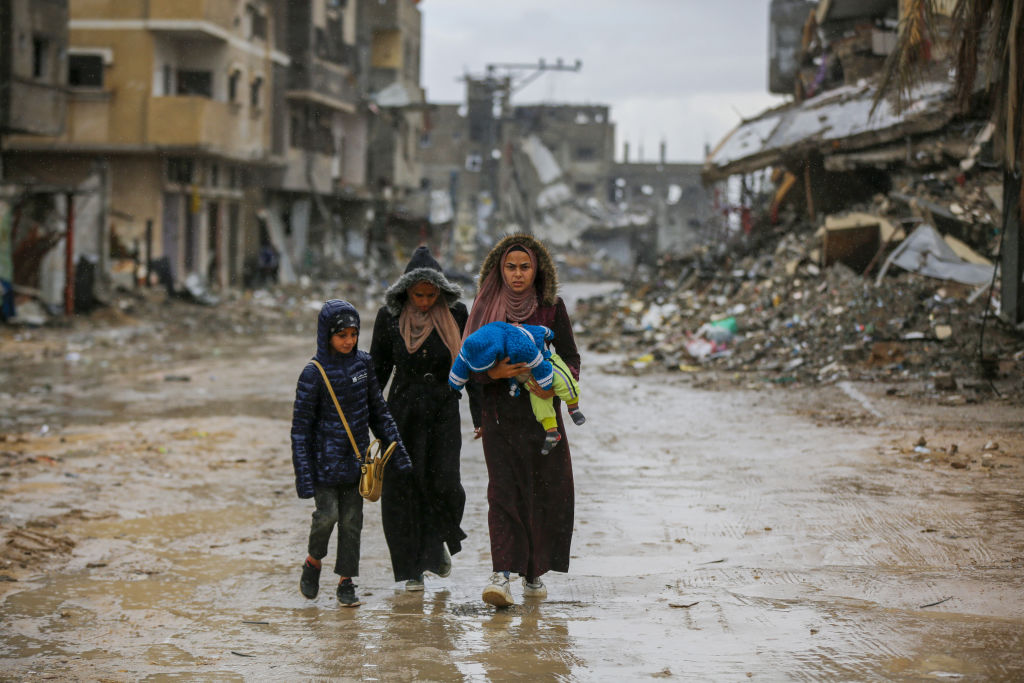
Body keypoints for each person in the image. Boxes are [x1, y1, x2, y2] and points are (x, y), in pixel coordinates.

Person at [462, 233, 581, 608]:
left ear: (536, 270)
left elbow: (571, 357)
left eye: (524, 267)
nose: (517, 275)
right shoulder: (484, 308)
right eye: (510, 267)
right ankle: (502, 574)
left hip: (544, 420)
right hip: (500, 416)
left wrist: (556, 388)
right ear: (499, 270)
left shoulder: (551, 308)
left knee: (545, 491)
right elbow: (468, 362)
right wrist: (492, 375)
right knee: (503, 492)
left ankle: (534, 572)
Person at [291, 299, 412, 606]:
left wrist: (396, 452)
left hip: (357, 463)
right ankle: (313, 561)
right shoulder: (313, 374)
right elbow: (300, 430)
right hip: (323, 465)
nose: (348, 341)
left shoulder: (364, 364)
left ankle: (347, 580)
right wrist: (304, 477)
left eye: (353, 334)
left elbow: (378, 411)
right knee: (327, 516)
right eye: (341, 335)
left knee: (352, 523)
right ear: (326, 335)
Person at [370, 246, 469, 591]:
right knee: (401, 491)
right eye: (418, 295)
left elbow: (473, 366)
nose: (425, 302)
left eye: (431, 295)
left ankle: (436, 545)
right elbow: (378, 371)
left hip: (444, 409)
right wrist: (364, 417)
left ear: (441, 291)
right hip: (401, 412)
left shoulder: (458, 316)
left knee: (445, 485)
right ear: (406, 292)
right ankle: (409, 569)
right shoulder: (388, 318)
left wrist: (483, 416)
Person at [448, 321, 585, 455]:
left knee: (563, 382)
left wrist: (549, 387)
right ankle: (552, 432)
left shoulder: (550, 306)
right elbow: (468, 366)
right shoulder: (485, 304)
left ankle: (573, 408)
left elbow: (568, 356)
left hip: (540, 400)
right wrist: (492, 373)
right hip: (499, 420)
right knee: (504, 476)